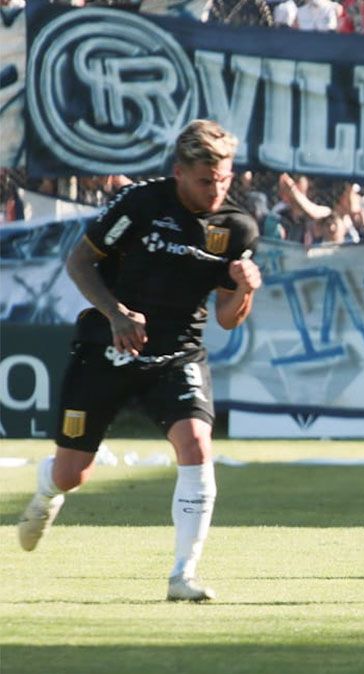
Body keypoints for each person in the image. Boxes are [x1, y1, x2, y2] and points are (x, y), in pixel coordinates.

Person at [16, 119, 262, 602]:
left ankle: (183, 575)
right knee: (72, 473)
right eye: (205, 181)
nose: (216, 191)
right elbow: (79, 263)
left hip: (177, 351)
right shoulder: (141, 203)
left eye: (224, 180)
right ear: (179, 172)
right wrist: (116, 314)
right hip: (108, 345)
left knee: (196, 443)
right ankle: (47, 489)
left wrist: (245, 289)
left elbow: (228, 318)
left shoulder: (238, 228)